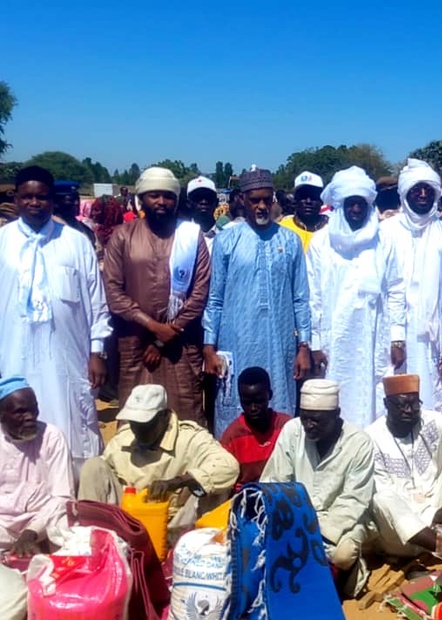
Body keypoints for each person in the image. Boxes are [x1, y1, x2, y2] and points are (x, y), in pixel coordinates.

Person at [0, 165, 111, 471]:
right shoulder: (3, 242)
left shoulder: (75, 243)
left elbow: (96, 302)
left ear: (52, 199)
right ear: (16, 197)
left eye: (42, 197)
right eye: (27, 197)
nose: (34, 203)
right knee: (16, 429)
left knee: (73, 429)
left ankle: (72, 496)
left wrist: (97, 351)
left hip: (68, 359)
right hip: (13, 357)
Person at [203, 167, 311, 438]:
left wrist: (304, 347)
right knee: (234, 410)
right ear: (241, 199)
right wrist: (209, 348)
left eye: (267, 199)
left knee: (279, 409)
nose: (262, 206)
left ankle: (279, 471)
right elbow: (214, 299)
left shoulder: (290, 240)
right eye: (255, 200)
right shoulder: (227, 240)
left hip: (280, 346)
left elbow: (301, 298)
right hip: (236, 343)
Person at [103, 166, 210, 424]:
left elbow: (200, 291)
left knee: (185, 419)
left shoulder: (191, 237)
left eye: (168, 196)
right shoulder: (122, 237)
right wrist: (152, 326)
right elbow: (114, 291)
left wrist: (165, 336)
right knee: (136, 422)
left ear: (176, 200)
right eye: (154, 195)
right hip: (135, 344)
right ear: (141, 199)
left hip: (180, 345)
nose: (161, 201)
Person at [308, 166, 406, 428]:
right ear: (340, 206)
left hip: (375, 336)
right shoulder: (320, 243)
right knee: (335, 398)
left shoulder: (383, 240)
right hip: (334, 340)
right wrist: (315, 344)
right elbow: (313, 296)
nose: (355, 210)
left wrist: (397, 338)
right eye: (350, 204)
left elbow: (396, 288)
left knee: (374, 400)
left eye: (360, 204)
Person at [261, 379, 373, 597]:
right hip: (295, 516)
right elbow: (276, 481)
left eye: (317, 420)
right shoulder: (293, 431)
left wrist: (316, 533)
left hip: (340, 522)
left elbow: (354, 500)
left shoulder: (359, 443)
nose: (309, 426)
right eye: (305, 418)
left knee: (342, 554)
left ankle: (350, 574)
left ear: (336, 415)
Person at [78, 384, 239, 526]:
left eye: (145, 425)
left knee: (213, 485)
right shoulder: (124, 439)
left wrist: (179, 482)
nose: (138, 431)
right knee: (93, 467)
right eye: (134, 424)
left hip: (177, 525)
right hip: (128, 523)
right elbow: (101, 477)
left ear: (163, 416)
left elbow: (229, 466)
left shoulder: (190, 439)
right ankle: (91, 542)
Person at [366, 374, 442, 556]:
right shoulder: (372, 437)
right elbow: (386, 495)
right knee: (381, 498)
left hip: (441, 514)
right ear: (386, 404)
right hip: (401, 537)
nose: (409, 410)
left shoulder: (429, 420)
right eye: (402, 405)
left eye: (415, 404)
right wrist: (433, 516)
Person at [379, 159, 442, 415]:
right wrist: (395, 337)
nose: (423, 194)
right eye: (417, 189)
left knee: (432, 404)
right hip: (392, 337)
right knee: (393, 403)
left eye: (428, 189)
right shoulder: (386, 231)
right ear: (405, 192)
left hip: (433, 339)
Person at [0, 377, 75, 555]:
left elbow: (62, 496)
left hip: (43, 521)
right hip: (3, 526)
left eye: (34, 410)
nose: (30, 418)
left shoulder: (52, 437)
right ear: (1, 415)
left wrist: (31, 532)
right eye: (20, 412)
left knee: (66, 528)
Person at [219, 367, 291, 488]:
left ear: (270, 395)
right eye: (246, 402)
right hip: (246, 497)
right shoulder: (232, 436)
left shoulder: (286, 426)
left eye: (259, 401)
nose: (253, 408)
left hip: (281, 493)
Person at [279, 171, 327, 252]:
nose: (308, 201)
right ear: (295, 199)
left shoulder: (332, 229)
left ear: (321, 200)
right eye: (303, 196)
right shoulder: (281, 230)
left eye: (313, 196)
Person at [53, 180, 96, 247]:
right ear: (55, 203)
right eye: (71, 200)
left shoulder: (84, 228)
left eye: (77, 200)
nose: (76, 203)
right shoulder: (50, 229)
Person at [186, 175, 220, 254]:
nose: (203, 202)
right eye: (197, 197)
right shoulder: (179, 236)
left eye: (208, 197)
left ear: (216, 203)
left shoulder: (227, 238)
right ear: (188, 203)